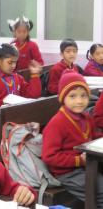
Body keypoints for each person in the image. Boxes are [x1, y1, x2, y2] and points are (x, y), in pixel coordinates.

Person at [42, 71, 103, 207]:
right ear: (63, 98)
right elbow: (49, 156)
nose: (79, 101)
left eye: (83, 96)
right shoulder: (57, 123)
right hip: (67, 172)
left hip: (88, 164)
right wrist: (77, 160)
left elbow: (94, 137)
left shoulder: (86, 117)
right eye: (72, 96)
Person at [0, 44, 42, 108]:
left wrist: (35, 75)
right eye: (10, 62)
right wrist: (3, 102)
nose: (13, 66)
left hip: (17, 113)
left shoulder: (17, 77)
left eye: (15, 62)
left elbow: (33, 95)